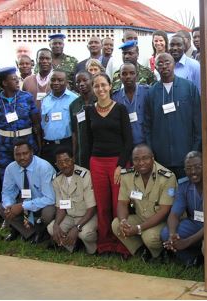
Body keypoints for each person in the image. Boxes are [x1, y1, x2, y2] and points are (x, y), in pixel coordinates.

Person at [85, 72, 133, 256]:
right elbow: (89, 141)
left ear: (110, 85)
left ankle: (122, 243)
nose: (100, 89)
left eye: (103, 85)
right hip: (97, 162)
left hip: (117, 163)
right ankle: (105, 243)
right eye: (96, 86)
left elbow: (128, 141)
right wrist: (90, 164)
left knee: (118, 204)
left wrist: (121, 166)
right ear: (93, 89)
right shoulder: (89, 110)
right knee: (102, 205)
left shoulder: (120, 109)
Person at [112, 144, 177, 261]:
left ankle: (159, 254)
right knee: (116, 225)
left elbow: (164, 211)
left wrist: (138, 228)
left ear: (152, 158)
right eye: (136, 159)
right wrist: (123, 221)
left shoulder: (167, 177)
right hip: (141, 217)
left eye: (145, 158)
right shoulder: (127, 176)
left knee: (149, 237)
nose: (141, 163)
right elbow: (122, 203)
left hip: (162, 221)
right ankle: (142, 252)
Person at [144, 53, 201, 179]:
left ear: (174, 64)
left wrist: (195, 149)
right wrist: (151, 151)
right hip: (161, 158)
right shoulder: (152, 93)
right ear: (156, 67)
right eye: (160, 63)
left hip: (186, 155)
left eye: (167, 62)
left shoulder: (189, 87)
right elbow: (147, 126)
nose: (164, 66)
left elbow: (198, 121)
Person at [161, 151, 207, 266]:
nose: (193, 172)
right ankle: (192, 260)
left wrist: (186, 242)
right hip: (196, 223)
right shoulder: (184, 185)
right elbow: (174, 214)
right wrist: (172, 236)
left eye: (197, 167)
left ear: (206, 166)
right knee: (165, 233)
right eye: (188, 168)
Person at [0, 67, 41, 178]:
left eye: (17, 79)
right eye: (13, 79)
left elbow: (36, 124)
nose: (17, 81)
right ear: (5, 83)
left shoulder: (26, 97)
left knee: (30, 177)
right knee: (8, 178)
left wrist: (39, 146)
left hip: (26, 144)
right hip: (3, 148)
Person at [0, 140, 56, 244]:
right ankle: (31, 233)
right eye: (18, 154)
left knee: (48, 213)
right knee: (2, 208)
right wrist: (9, 206)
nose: (21, 158)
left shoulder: (44, 167)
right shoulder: (11, 168)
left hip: (45, 202)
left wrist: (22, 206)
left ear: (32, 152)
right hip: (27, 199)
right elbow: (7, 192)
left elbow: (50, 198)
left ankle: (42, 232)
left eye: (25, 153)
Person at [47, 147, 97, 254]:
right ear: (56, 164)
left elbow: (92, 208)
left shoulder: (85, 176)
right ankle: (72, 246)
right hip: (70, 216)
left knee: (84, 233)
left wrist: (77, 227)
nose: (64, 165)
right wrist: (56, 224)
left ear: (73, 159)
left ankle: (93, 250)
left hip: (87, 216)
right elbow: (61, 207)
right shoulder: (57, 179)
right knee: (51, 228)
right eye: (60, 162)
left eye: (67, 160)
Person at [40, 70, 78, 168]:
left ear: (66, 82)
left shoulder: (74, 99)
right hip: (49, 146)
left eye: (60, 80)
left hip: (67, 144)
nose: (56, 83)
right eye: (53, 80)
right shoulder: (45, 100)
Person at [112, 63, 149, 146]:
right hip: (124, 145)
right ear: (119, 76)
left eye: (132, 73)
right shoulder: (115, 97)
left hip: (145, 144)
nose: (128, 76)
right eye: (124, 74)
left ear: (137, 75)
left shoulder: (147, 92)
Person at [70, 71, 96, 169]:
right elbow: (74, 132)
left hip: (97, 148)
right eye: (78, 82)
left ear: (92, 80)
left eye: (85, 80)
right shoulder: (74, 105)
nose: (81, 84)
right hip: (81, 150)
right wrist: (74, 153)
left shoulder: (99, 100)